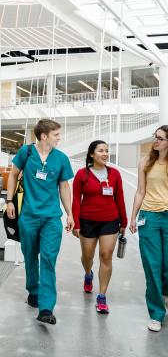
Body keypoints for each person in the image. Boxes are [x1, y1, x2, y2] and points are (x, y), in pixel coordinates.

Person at [6, 119, 74, 325]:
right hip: (28, 217)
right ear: (44, 136)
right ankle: (33, 290)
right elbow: (13, 175)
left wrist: (70, 214)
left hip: (52, 218)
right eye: (56, 135)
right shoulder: (26, 153)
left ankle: (46, 307)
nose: (59, 138)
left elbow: (64, 187)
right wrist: (9, 201)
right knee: (30, 256)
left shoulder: (61, 158)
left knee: (48, 259)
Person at [72, 140, 127, 313]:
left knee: (106, 255)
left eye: (107, 151)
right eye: (101, 151)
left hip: (110, 220)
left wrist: (123, 221)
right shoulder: (82, 174)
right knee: (87, 257)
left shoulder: (115, 174)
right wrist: (76, 222)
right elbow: (75, 200)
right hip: (87, 220)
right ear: (91, 154)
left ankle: (102, 296)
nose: (105, 154)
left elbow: (119, 198)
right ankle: (88, 274)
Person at [130, 125, 168, 332]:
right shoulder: (145, 161)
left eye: (161, 139)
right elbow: (140, 191)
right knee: (152, 266)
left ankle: (164, 293)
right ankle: (156, 314)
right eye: (155, 137)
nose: (156, 141)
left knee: (167, 266)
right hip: (149, 217)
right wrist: (133, 217)